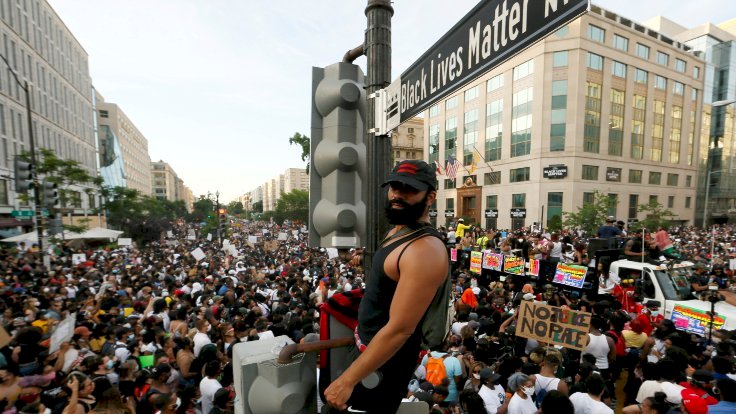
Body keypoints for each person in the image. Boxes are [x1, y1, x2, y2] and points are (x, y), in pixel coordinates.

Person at [324, 160, 449, 413]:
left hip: (384, 366)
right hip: (367, 351)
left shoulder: (425, 250)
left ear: (430, 196)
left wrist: (347, 381)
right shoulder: (398, 231)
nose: (397, 195)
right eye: (394, 186)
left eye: (409, 189)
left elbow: (399, 330)